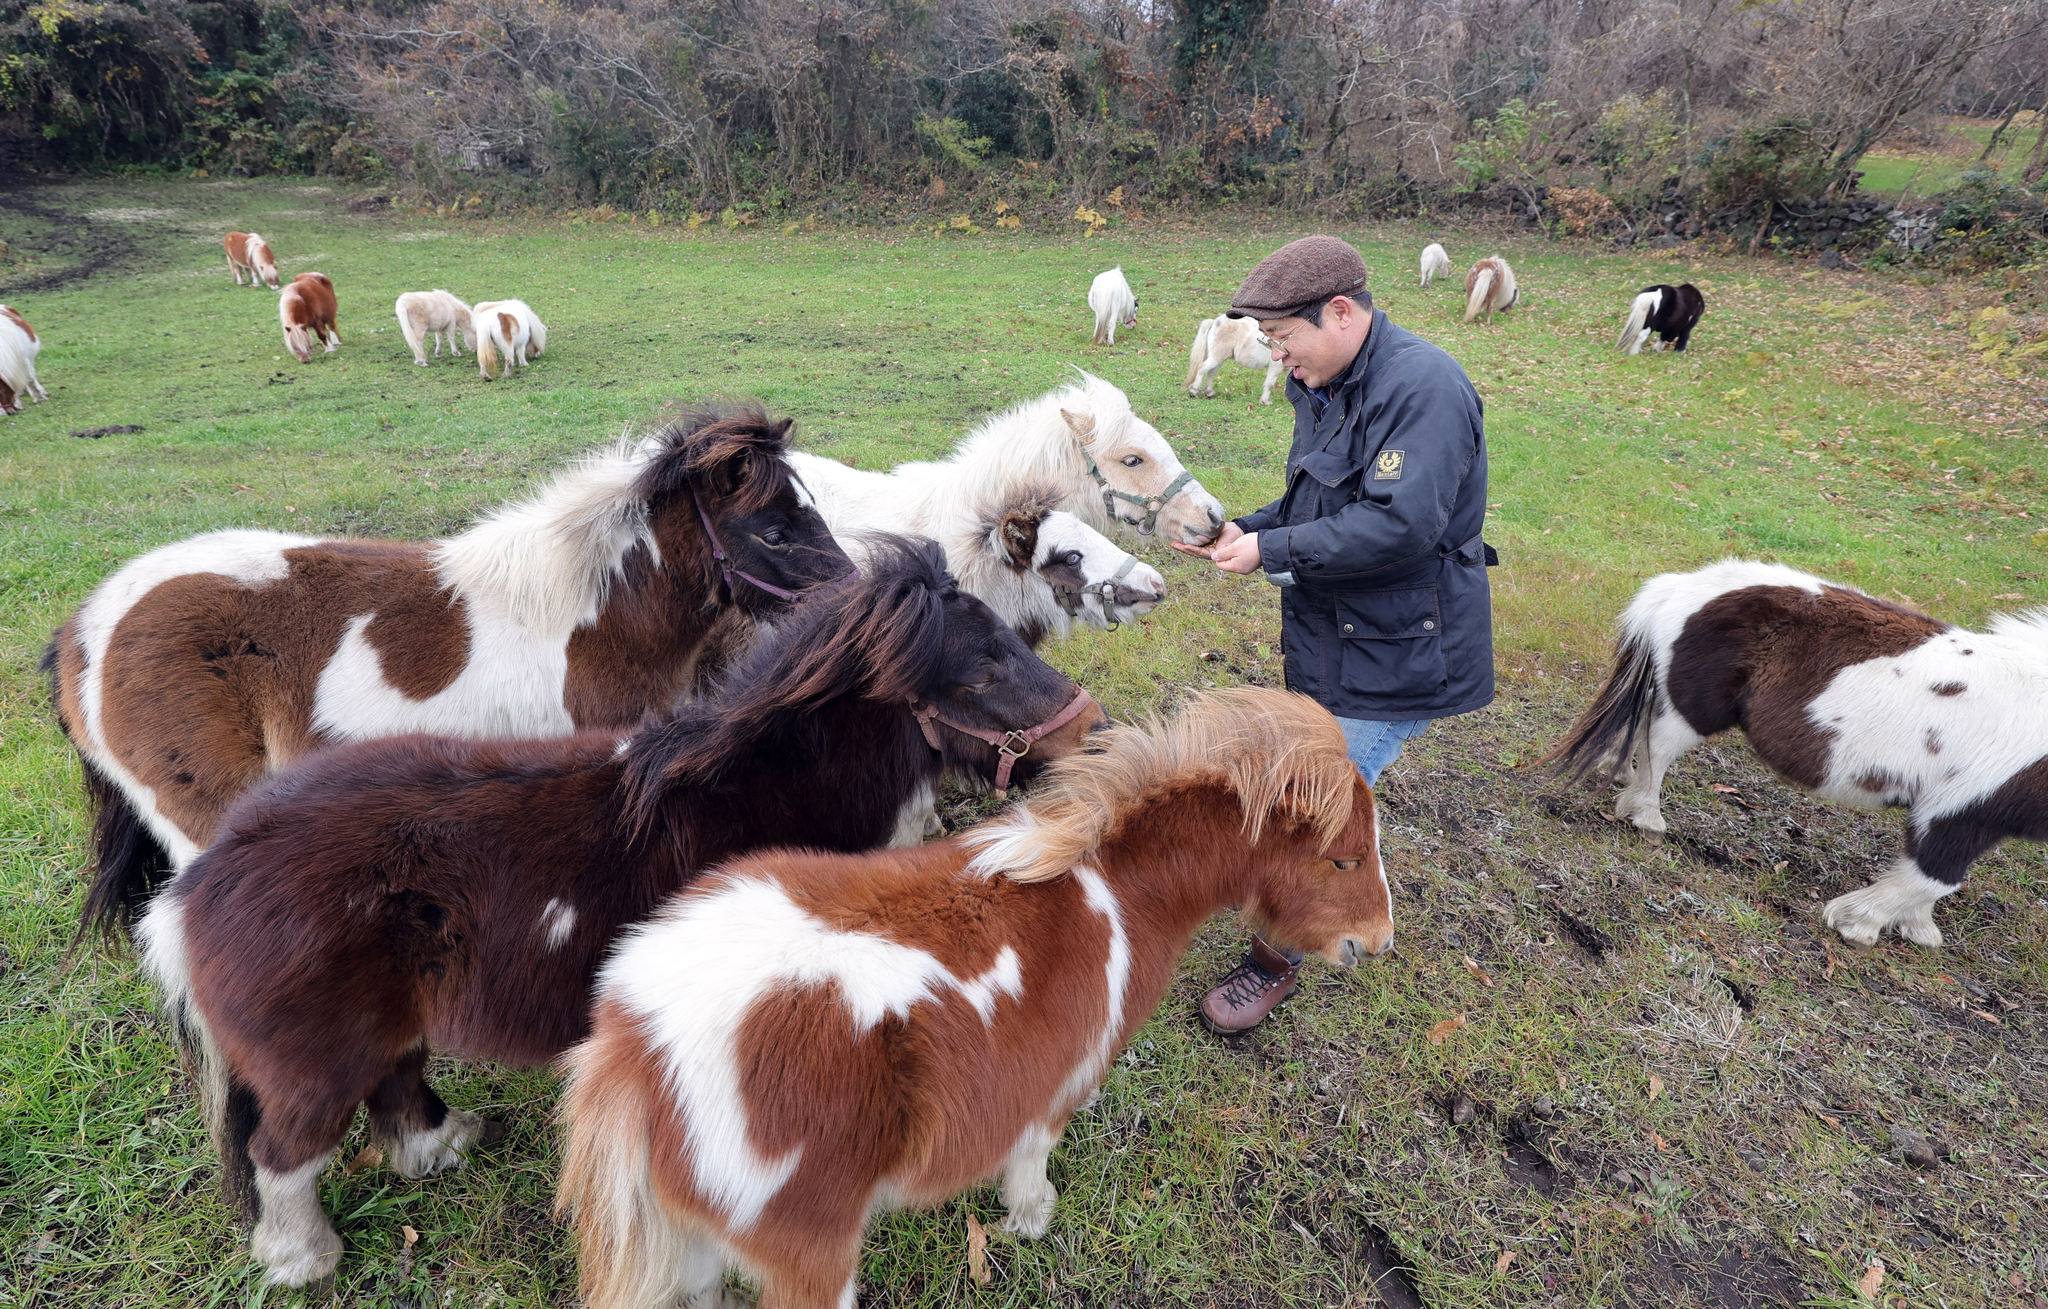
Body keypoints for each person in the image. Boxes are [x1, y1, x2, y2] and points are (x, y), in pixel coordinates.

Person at [1171, 234, 1496, 1034]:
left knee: (1317, 809)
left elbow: (1399, 527)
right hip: (1338, 640)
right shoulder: (1324, 383)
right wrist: (1246, 527)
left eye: (1283, 340)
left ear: (1341, 313)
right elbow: (1320, 504)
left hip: (1399, 654)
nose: (1277, 358)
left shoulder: (1424, 390)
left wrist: (1271, 552)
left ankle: (1276, 958)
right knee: (1308, 789)